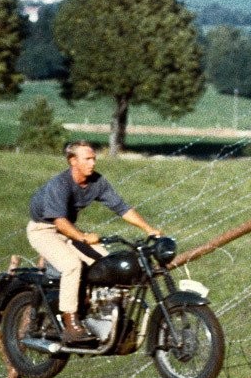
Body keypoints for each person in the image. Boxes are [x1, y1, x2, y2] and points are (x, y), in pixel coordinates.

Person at [27, 140, 161, 343]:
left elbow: (121, 208)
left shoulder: (97, 182)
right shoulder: (60, 184)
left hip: (69, 231)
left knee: (105, 262)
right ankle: (70, 321)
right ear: (73, 161)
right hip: (44, 230)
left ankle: (97, 311)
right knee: (71, 265)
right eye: (87, 159)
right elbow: (60, 222)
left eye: (93, 159)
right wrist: (82, 237)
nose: (92, 163)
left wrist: (149, 229)